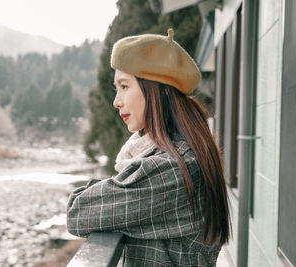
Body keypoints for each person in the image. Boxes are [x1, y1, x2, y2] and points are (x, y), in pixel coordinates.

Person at [67, 29, 230, 267]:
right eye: (116, 88)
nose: (116, 101)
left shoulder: (173, 168)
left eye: (124, 86)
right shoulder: (179, 154)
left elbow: (78, 212)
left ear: (160, 89)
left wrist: (108, 187)